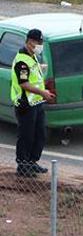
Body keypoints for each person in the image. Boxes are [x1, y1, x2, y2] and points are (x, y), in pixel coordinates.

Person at [11, 29, 56, 177]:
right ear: (30, 41)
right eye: (38, 42)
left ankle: (31, 162)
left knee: (40, 134)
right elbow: (24, 84)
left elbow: (35, 78)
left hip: (36, 103)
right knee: (26, 136)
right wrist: (43, 93)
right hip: (26, 104)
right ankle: (23, 166)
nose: (40, 45)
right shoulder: (22, 61)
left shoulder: (32, 57)